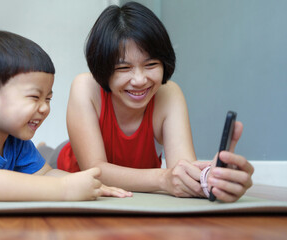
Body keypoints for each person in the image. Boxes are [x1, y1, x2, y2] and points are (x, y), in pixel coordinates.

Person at [47, 1, 254, 202]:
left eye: (151, 64)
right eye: (123, 68)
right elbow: (94, 170)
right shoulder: (85, 87)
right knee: (43, 158)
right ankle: (43, 148)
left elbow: (182, 168)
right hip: (66, 165)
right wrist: (164, 178)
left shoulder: (168, 94)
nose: (139, 80)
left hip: (132, 191)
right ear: (103, 69)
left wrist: (211, 178)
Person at [0, 30, 132, 201]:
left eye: (48, 99)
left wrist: (91, 184)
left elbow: (46, 174)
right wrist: (65, 189)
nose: (44, 108)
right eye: (35, 97)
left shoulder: (14, 139)